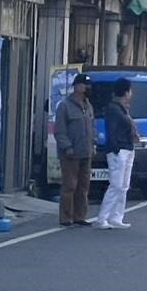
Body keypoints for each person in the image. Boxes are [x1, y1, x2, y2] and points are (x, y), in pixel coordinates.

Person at [54, 73, 97, 227]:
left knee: (83, 186)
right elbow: (59, 130)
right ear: (77, 87)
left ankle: (80, 216)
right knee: (69, 185)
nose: (88, 88)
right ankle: (66, 217)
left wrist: (94, 143)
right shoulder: (65, 106)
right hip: (71, 153)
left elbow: (92, 127)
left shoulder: (88, 106)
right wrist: (67, 147)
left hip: (86, 151)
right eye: (86, 85)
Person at [95, 78, 137, 230]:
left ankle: (117, 217)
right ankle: (102, 218)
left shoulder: (123, 108)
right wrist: (116, 149)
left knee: (124, 186)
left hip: (128, 148)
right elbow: (111, 131)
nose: (131, 93)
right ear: (126, 92)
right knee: (116, 185)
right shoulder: (113, 109)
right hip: (118, 150)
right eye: (130, 90)